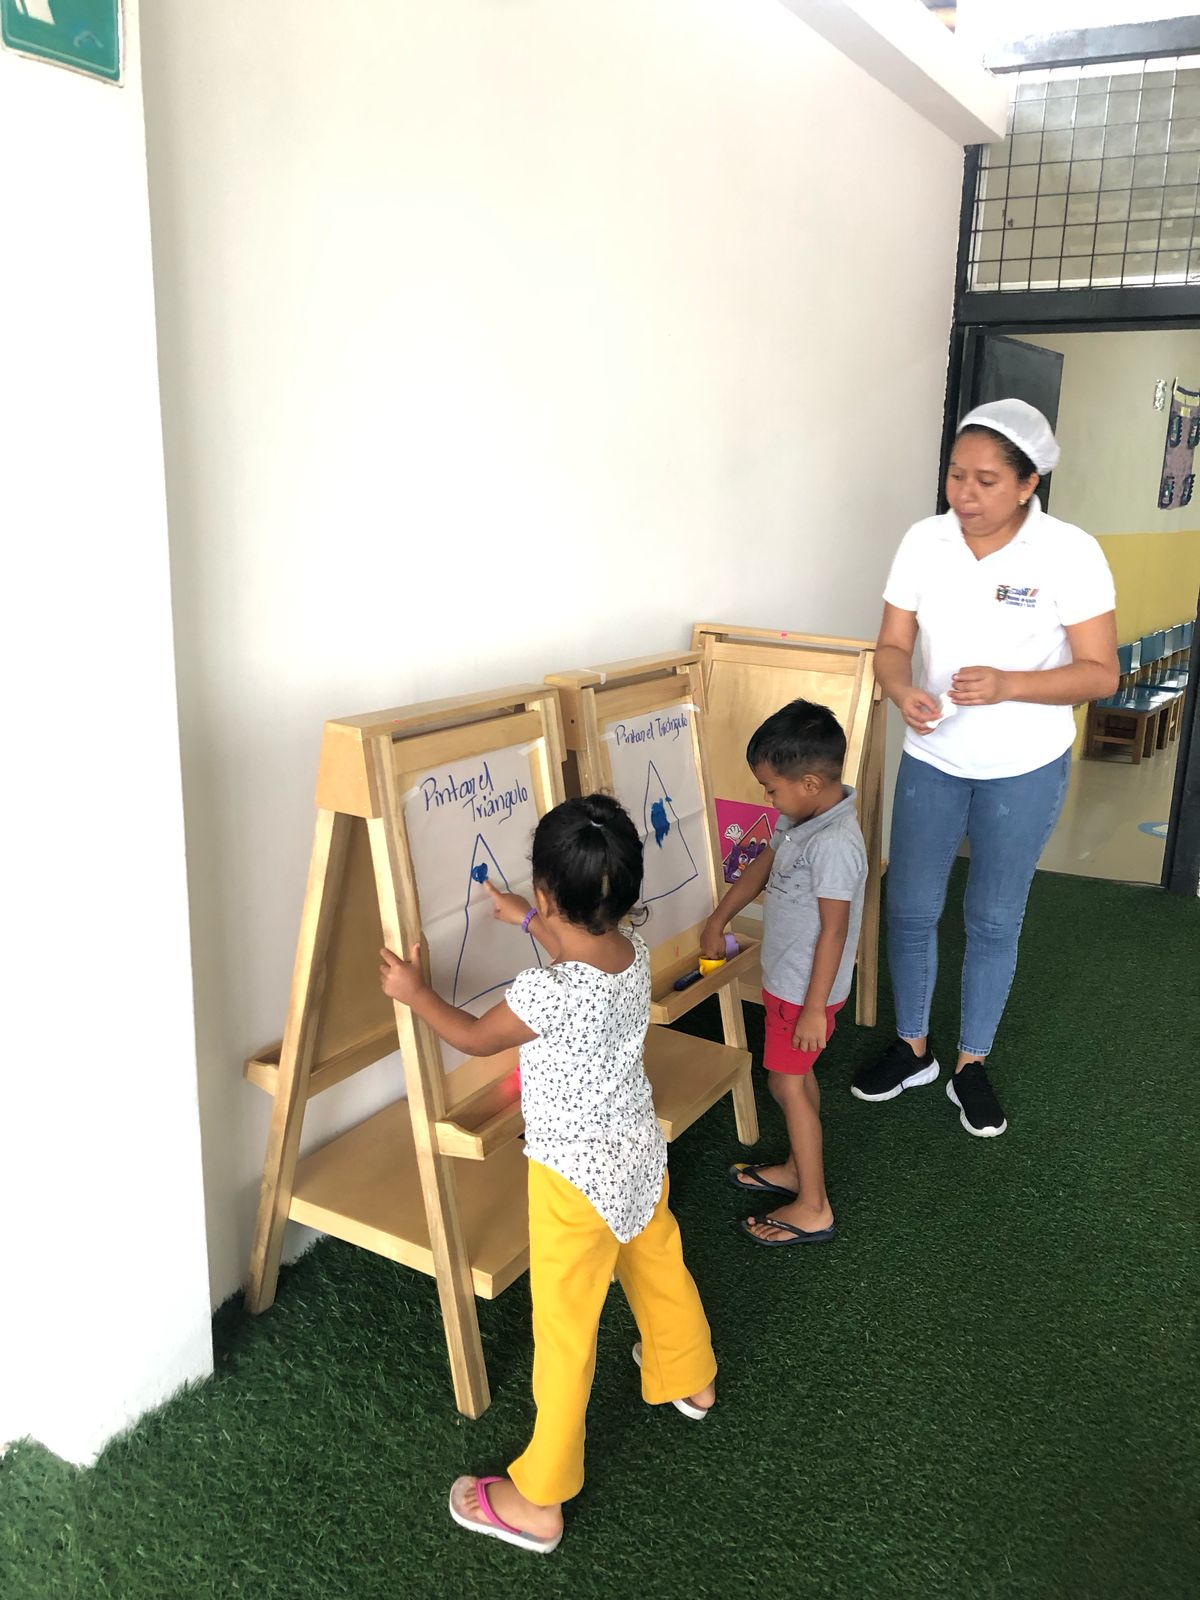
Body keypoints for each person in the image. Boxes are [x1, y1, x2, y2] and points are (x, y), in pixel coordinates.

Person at [379, 793, 716, 1556]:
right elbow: (580, 937)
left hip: (572, 1182)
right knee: (658, 1262)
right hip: (637, 1152)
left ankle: (539, 1502)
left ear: (545, 891)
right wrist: (528, 920)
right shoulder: (631, 953)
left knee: (565, 1332)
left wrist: (416, 993)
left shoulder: (547, 994)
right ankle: (690, 1373)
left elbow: (472, 1037)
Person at [852, 398, 1118, 1137]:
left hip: (1024, 766)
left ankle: (971, 1062)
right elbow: (892, 646)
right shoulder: (925, 541)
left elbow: (1101, 673)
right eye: (955, 475)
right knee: (910, 908)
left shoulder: (1069, 553)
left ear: (1029, 484)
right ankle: (913, 1048)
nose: (964, 495)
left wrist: (1009, 684)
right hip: (934, 757)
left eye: (987, 480)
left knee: (993, 918)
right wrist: (902, 690)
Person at [702, 699, 867, 1245]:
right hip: (790, 984)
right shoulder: (802, 819)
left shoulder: (835, 843)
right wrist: (720, 917)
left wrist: (815, 1007)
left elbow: (835, 931)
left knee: (787, 1084)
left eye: (771, 789)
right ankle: (799, 1170)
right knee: (793, 1077)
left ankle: (814, 1206)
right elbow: (760, 867)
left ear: (811, 783)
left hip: (804, 993)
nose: (768, 799)